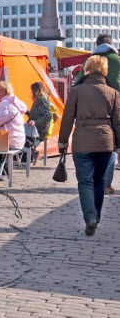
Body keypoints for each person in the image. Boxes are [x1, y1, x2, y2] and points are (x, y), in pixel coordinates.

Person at [59, 55, 120, 236]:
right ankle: (97, 216)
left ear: (88, 69)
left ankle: (90, 217)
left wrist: (62, 141)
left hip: (83, 141)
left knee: (85, 181)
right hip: (105, 141)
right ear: (104, 71)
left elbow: (68, 118)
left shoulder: (77, 91)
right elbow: (118, 123)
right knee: (99, 181)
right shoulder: (113, 93)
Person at [76, 33, 120, 194]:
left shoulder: (90, 61)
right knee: (112, 146)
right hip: (114, 107)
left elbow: (78, 83)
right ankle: (105, 184)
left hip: (90, 109)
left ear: (97, 44)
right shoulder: (117, 60)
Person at [26, 81, 53, 164]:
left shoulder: (41, 100)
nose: (31, 93)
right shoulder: (40, 100)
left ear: (35, 91)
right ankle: (33, 153)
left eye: (32, 91)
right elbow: (35, 115)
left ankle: (31, 155)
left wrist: (36, 123)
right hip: (37, 128)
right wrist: (25, 111)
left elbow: (48, 115)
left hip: (39, 130)